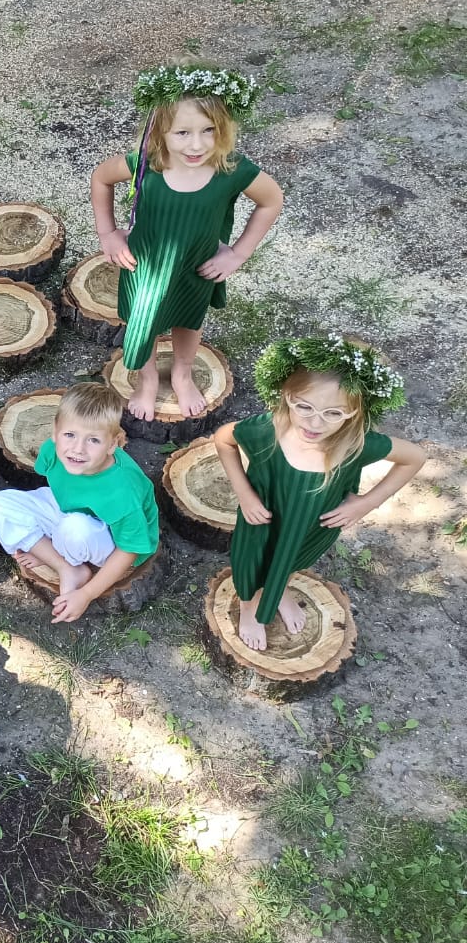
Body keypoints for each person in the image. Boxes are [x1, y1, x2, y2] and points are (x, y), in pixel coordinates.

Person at [90, 64, 284, 419]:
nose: (197, 144)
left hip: (197, 265)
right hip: (145, 265)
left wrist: (238, 253)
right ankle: (147, 380)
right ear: (160, 130)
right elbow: (101, 178)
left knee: (189, 321)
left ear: (224, 128)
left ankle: (182, 373)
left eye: (209, 130)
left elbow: (271, 201)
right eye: (182, 133)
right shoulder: (148, 164)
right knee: (143, 321)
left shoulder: (232, 169)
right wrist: (108, 232)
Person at [215, 335, 424, 651]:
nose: (315, 422)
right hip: (262, 521)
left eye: (333, 413)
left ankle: (279, 589)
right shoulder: (267, 430)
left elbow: (415, 458)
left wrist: (366, 503)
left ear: (354, 412)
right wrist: (244, 492)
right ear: (287, 395)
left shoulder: (355, 444)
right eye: (304, 406)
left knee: (290, 559)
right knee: (250, 566)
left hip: (311, 527)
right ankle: (248, 609)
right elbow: (223, 440)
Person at [0, 382, 160, 623]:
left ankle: (60, 554)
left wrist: (87, 594)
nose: (77, 449)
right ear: (55, 432)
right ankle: (66, 565)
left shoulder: (121, 491)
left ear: (113, 444)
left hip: (109, 540)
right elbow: (56, 496)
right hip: (72, 511)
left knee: (75, 528)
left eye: (94, 441)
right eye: (69, 435)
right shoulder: (54, 450)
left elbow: (129, 550)